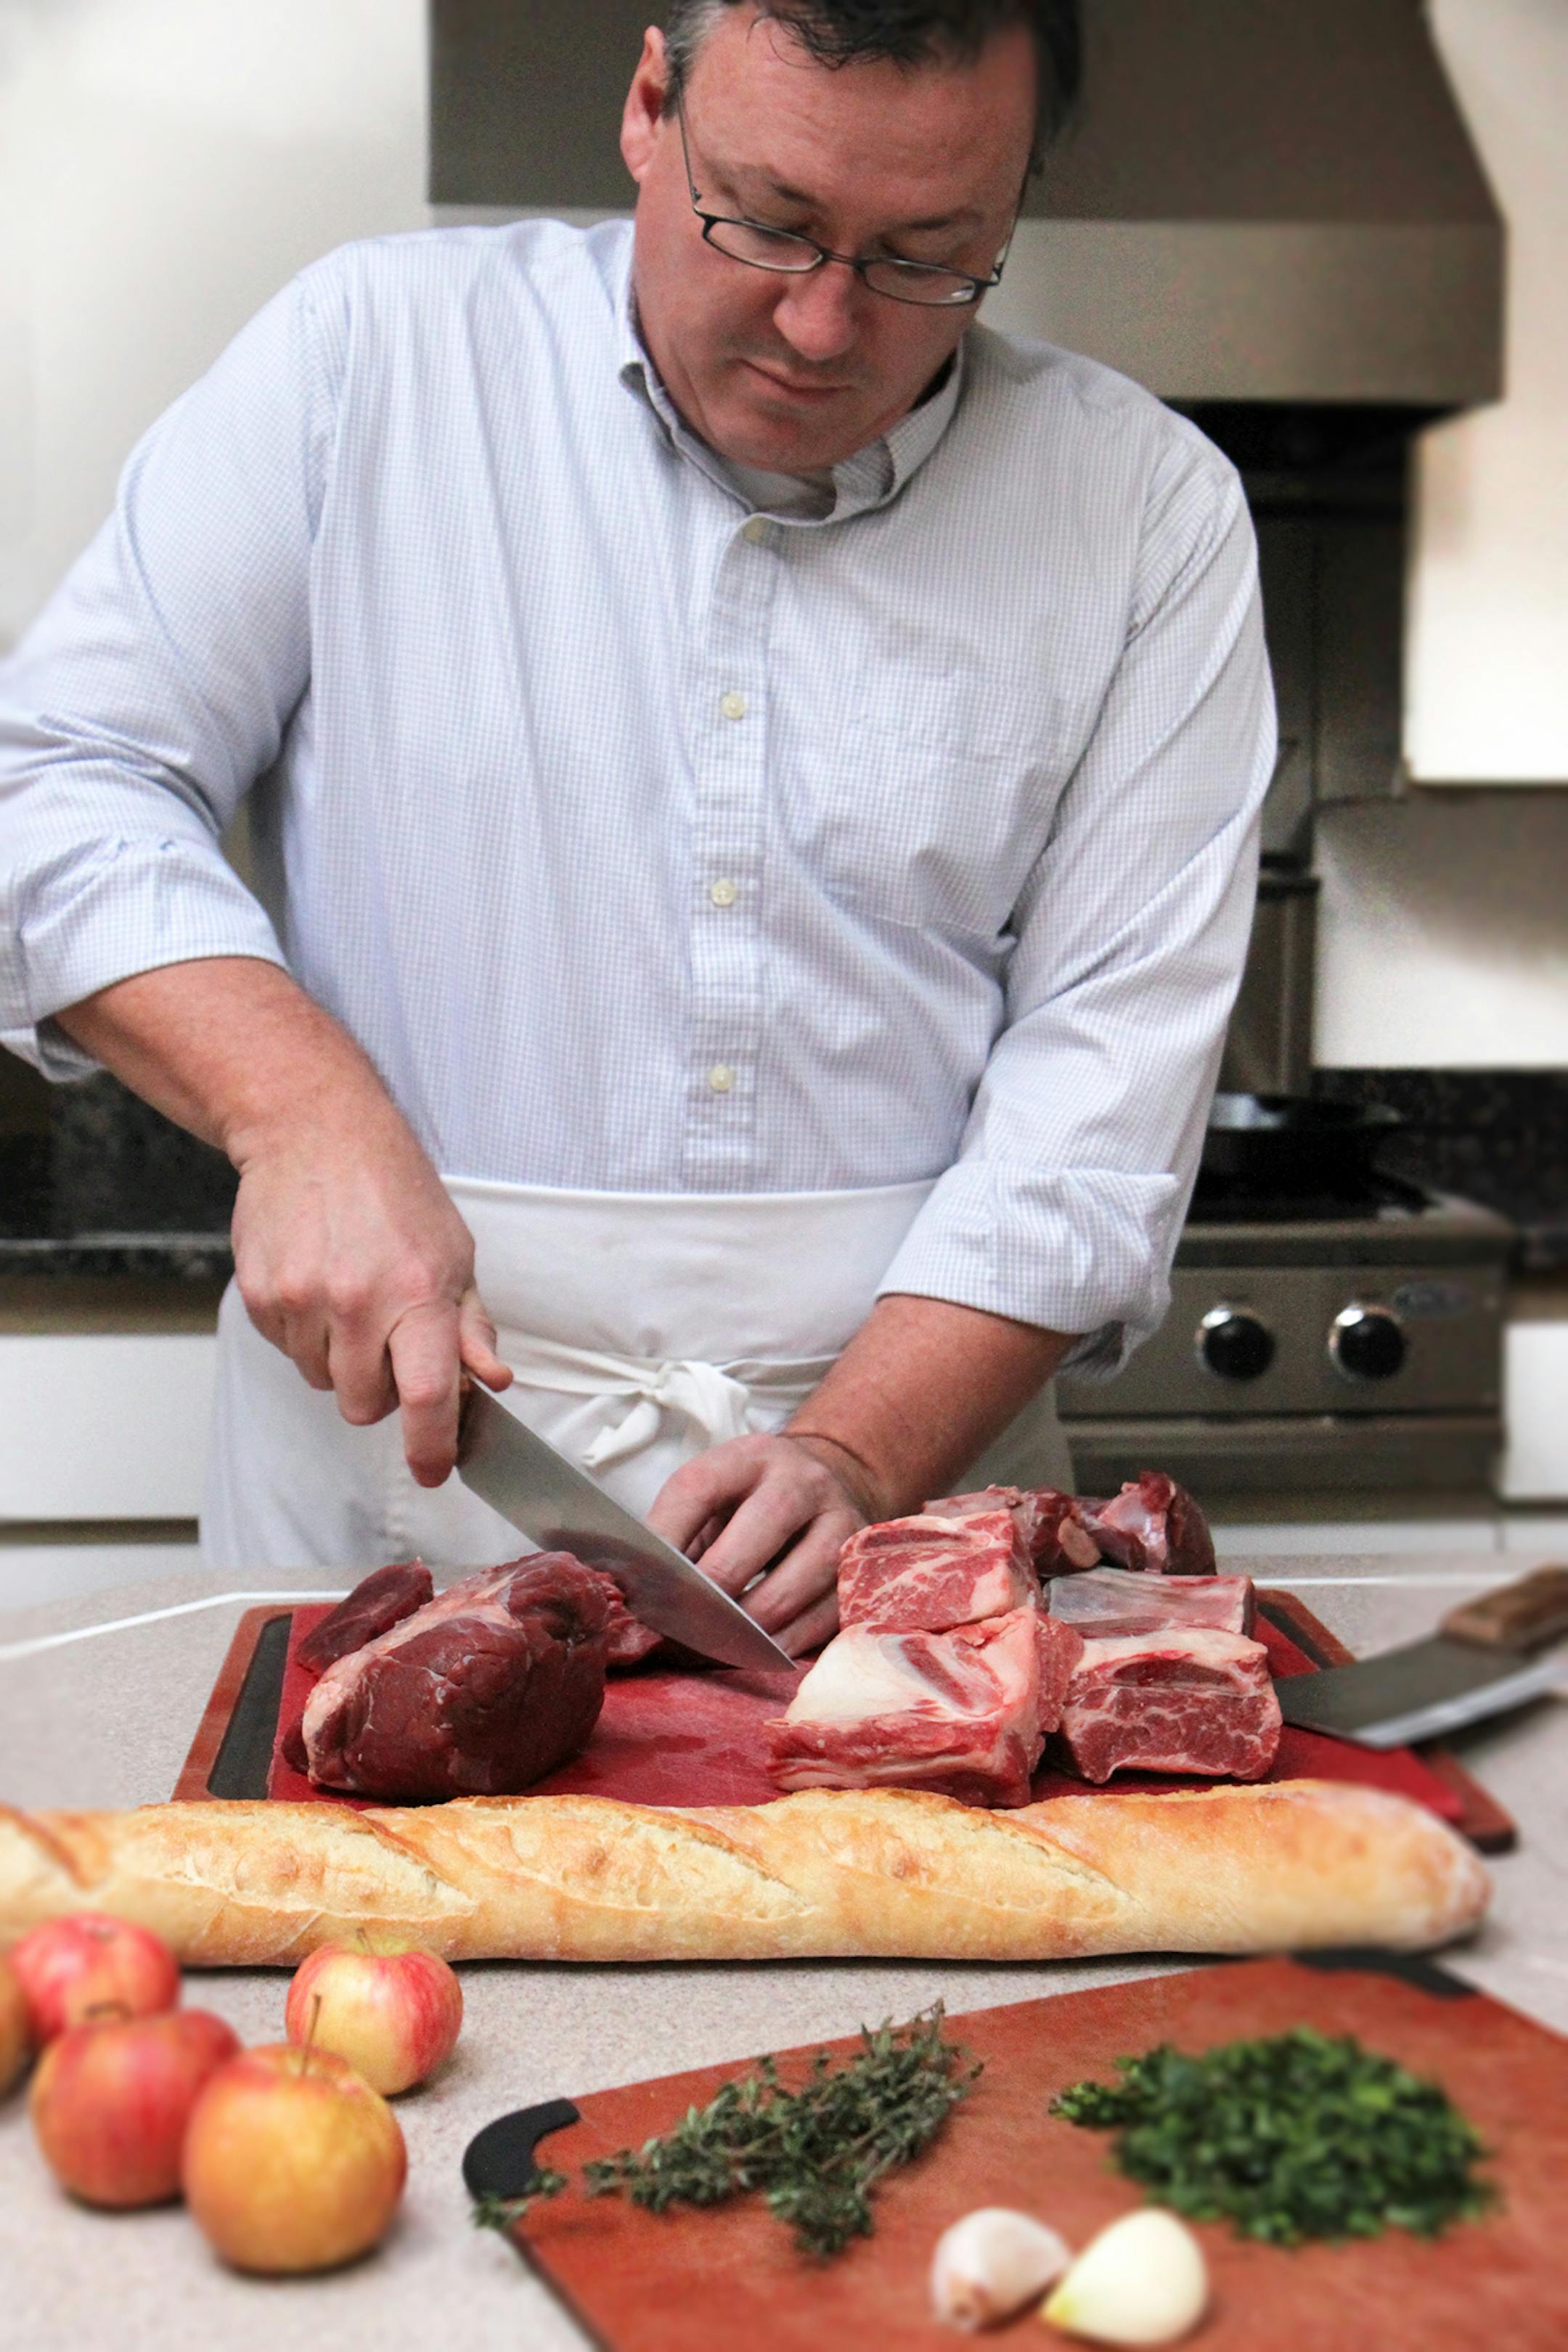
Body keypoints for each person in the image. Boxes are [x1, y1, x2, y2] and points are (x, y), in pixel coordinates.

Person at [0, 1, 1273, 1654]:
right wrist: (298, 1113)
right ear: (649, 106)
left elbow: (1101, 1095)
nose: (822, 325)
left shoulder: (1145, 514)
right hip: (400, 1460)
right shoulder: (365, 359)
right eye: (771, 221)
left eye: (927, 255)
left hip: (907, 1507)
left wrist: (856, 1447)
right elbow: (59, 778)